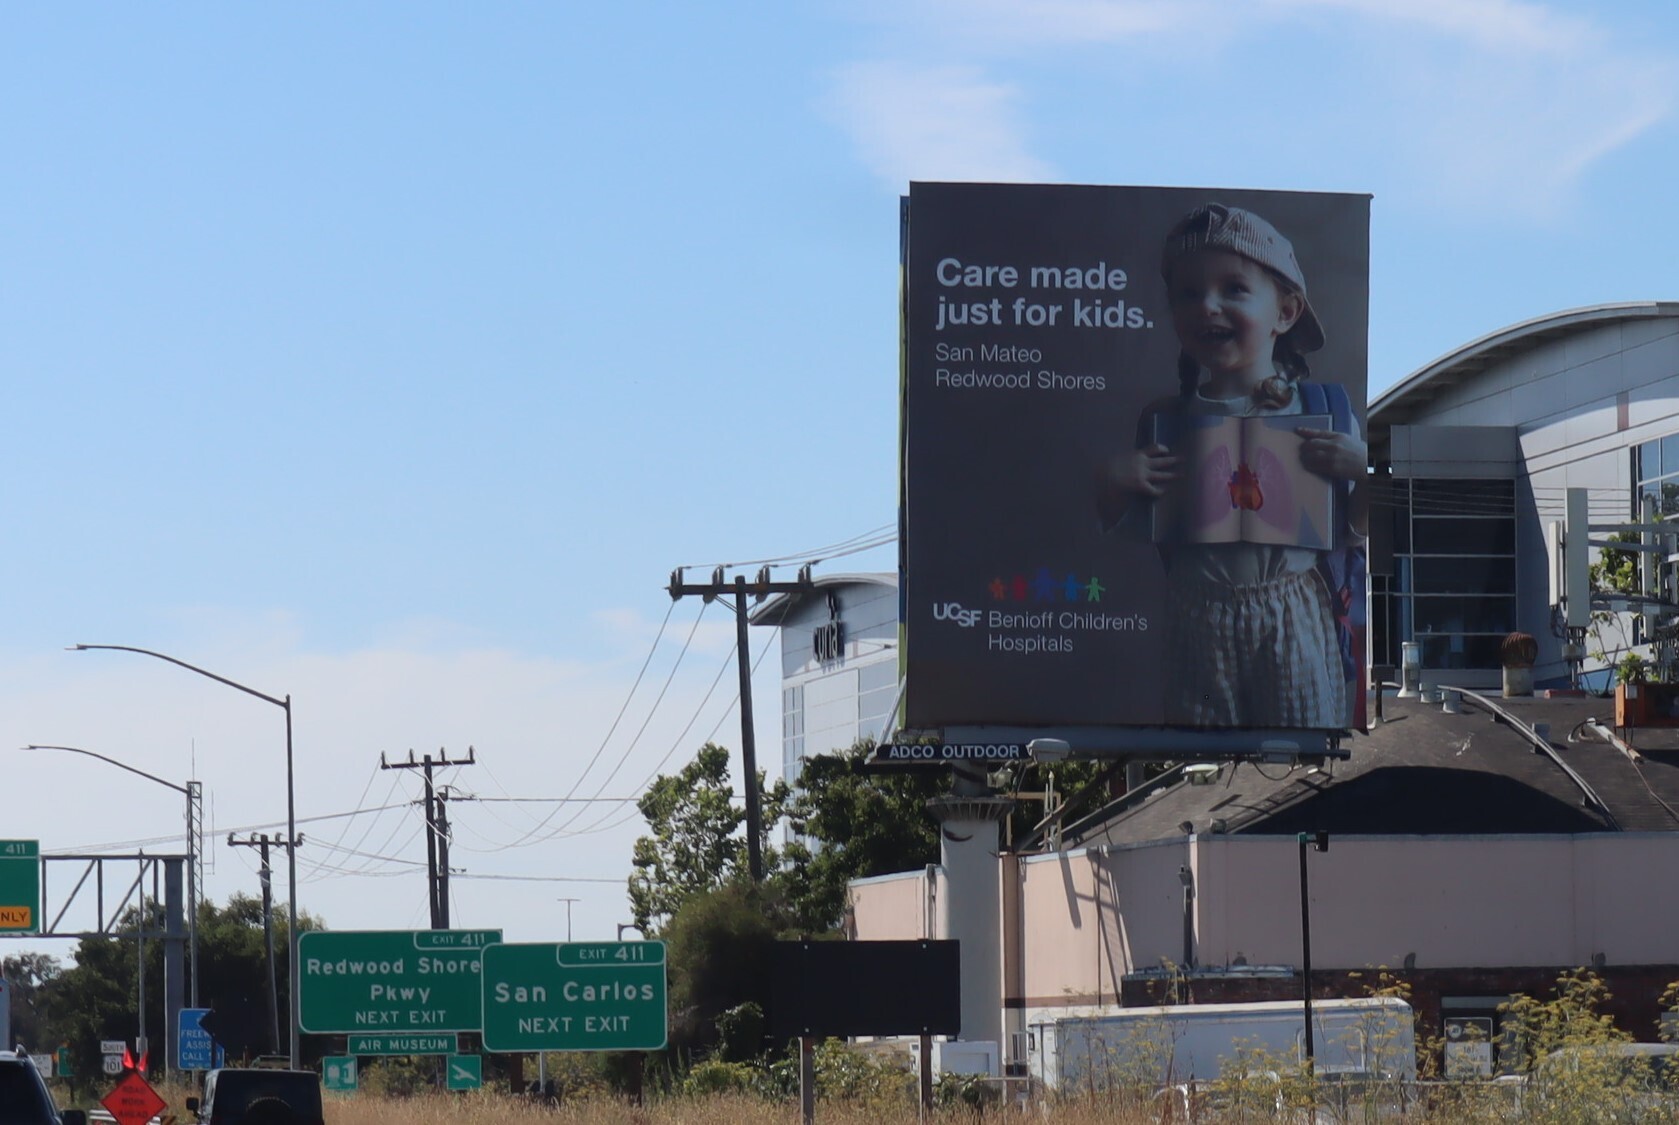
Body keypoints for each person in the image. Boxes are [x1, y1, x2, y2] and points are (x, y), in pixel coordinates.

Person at [1100, 203, 1366, 728]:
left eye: (1234, 289)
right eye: (1189, 294)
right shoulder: (1166, 420)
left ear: (1285, 313)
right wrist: (1113, 479)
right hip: (1197, 610)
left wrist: (1364, 466)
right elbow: (1125, 525)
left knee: (1302, 743)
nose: (1209, 307)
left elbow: (1357, 525)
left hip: (1293, 608)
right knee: (1202, 759)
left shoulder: (1323, 409)